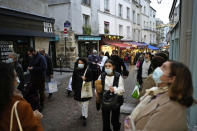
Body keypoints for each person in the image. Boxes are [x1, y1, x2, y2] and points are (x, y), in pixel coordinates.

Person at [125, 61, 196, 131]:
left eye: (164, 68)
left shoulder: (172, 107)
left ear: (172, 79)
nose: (158, 69)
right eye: (161, 66)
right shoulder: (156, 93)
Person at [0, 62, 43, 131]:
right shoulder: (20, 106)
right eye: (15, 76)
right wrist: (35, 118)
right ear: (8, 81)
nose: (17, 80)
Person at [97, 59, 125, 131]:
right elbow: (98, 89)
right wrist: (97, 96)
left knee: (115, 120)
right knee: (105, 121)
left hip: (115, 100)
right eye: (106, 66)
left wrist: (115, 89)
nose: (107, 68)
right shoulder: (101, 76)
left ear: (113, 67)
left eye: (109, 66)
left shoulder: (118, 76)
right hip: (104, 100)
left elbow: (122, 90)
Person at [72, 58, 93, 126]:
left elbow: (91, 78)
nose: (80, 64)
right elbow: (73, 79)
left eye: (81, 63)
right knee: (79, 103)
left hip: (85, 89)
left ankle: (84, 117)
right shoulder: (76, 70)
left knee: (85, 104)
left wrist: (86, 79)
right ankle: (83, 113)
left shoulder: (88, 70)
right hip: (78, 89)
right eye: (79, 63)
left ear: (84, 63)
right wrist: (73, 88)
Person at [27, 47, 47, 112]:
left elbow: (44, 67)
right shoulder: (32, 57)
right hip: (33, 78)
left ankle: (41, 104)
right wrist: (29, 67)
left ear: (33, 52)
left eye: (30, 53)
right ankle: (36, 104)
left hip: (40, 78)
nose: (29, 55)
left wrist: (33, 68)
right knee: (34, 92)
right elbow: (31, 64)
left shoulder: (41, 57)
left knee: (41, 92)